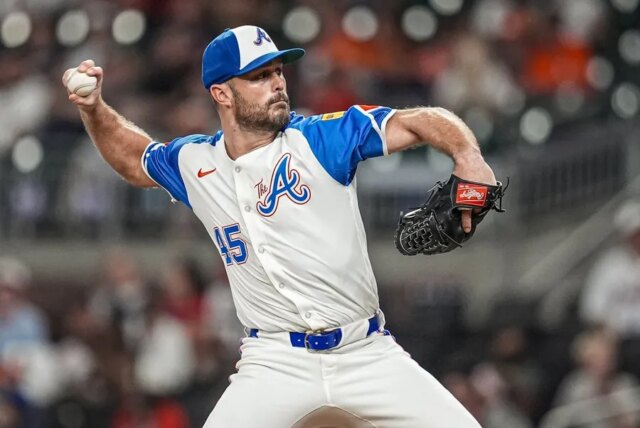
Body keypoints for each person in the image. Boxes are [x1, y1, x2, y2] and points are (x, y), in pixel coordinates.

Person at [63, 25, 497, 427]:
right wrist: (93, 108)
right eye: (259, 76)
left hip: (366, 351)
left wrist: (468, 154)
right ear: (222, 93)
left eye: (278, 71)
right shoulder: (195, 161)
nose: (277, 83)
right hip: (274, 362)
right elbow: (134, 159)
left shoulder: (319, 139)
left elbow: (415, 120)